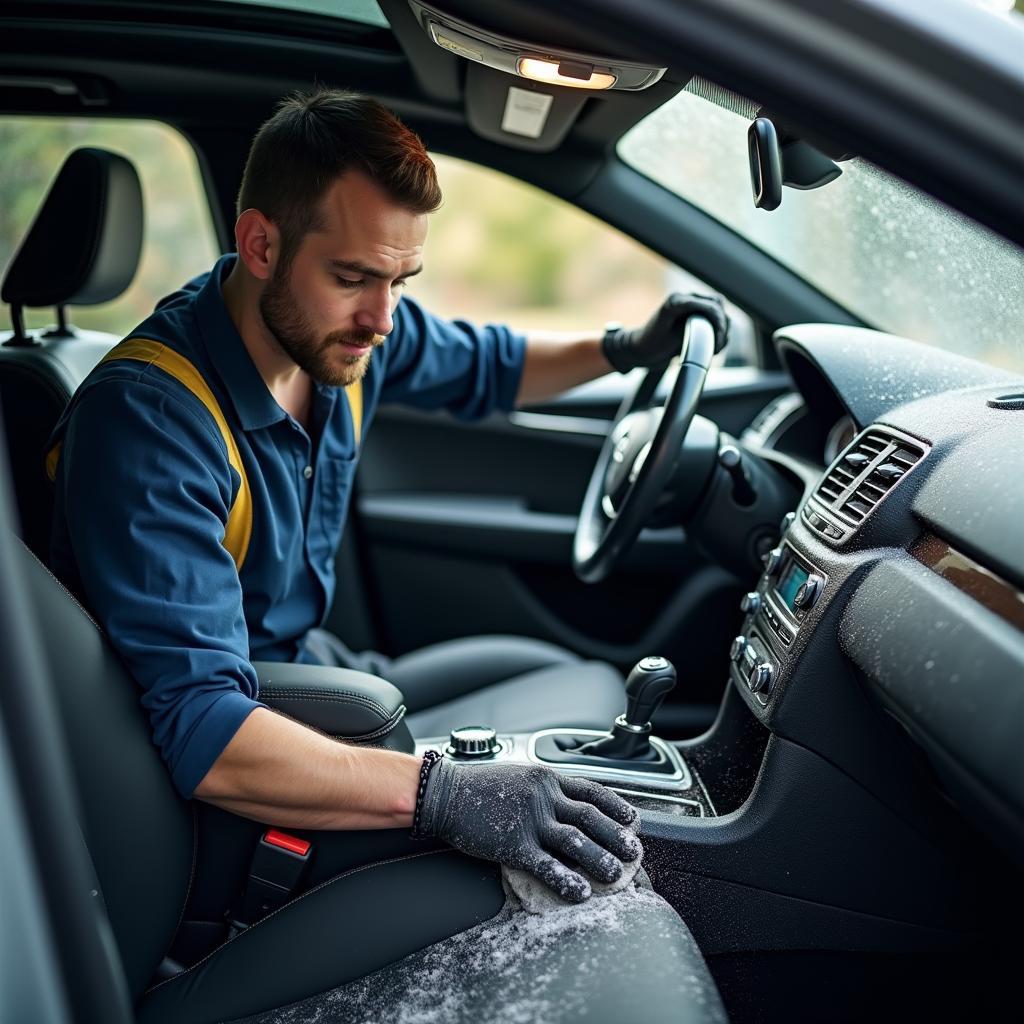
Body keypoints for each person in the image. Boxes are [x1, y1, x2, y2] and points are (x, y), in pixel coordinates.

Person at [47, 89, 727, 899]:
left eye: (402, 280)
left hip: (310, 671)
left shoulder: (332, 337)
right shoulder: (153, 425)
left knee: (563, 673)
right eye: (355, 277)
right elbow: (207, 736)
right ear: (260, 243)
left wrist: (625, 347)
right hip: (239, 758)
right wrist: (438, 793)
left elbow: (487, 365)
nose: (382, 317)